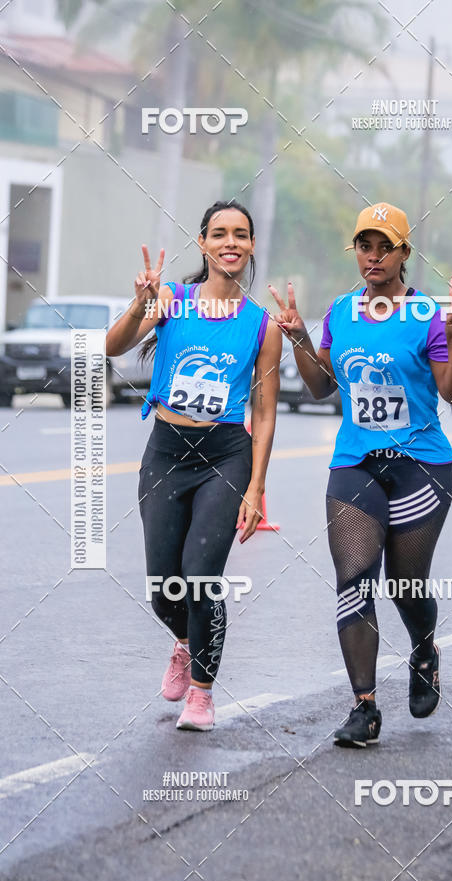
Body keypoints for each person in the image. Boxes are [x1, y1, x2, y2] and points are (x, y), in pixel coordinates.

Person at [269, 201, 452, 748]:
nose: (375, 256)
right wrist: (299, 341)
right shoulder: (341, 311)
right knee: (354, 579)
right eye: (366, 245)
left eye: (386, 246)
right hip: (355, 463)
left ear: (405, 254)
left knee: (404, 584)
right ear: (356, 252)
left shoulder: (429, 314)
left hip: (421, 465)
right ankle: (364, 709)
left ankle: (424, 651)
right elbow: (321, 387)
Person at [105, 200, 282, 731]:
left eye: (241, 235)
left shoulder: (260, 325)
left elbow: (267, 414)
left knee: (201, 578)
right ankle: (183, 642)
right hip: (165, 452)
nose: (231, 242)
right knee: (165, 589)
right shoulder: (171, 299)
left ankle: (202, 694)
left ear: (251, 247)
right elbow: (112, 347)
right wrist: (140, 306)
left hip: (224, 455)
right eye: (220, 233)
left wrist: (256, 486)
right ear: (203, 244)